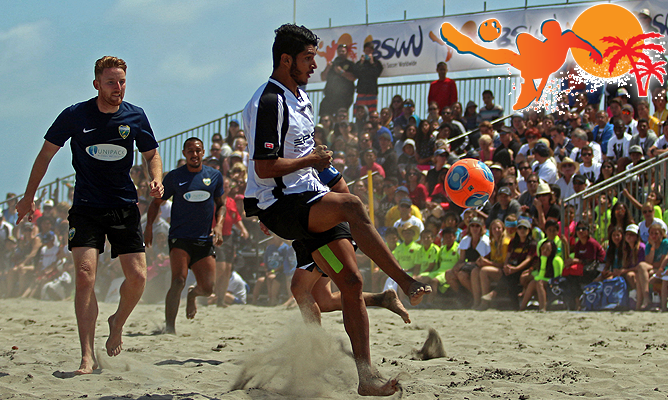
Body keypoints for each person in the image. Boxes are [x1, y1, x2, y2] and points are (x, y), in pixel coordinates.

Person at [242, 24, 429, 396]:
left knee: (352, 284)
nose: (315, 65)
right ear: (286, 59)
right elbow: (264, 167)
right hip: (282, 205)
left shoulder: (301, 98)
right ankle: (404, 281)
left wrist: (351, 214)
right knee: (350, 208)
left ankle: (365, 378)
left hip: (312, 200)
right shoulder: (269, 102)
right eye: (309, 58)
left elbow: (317, 164)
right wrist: (315, 166)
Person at [15, 56, 163, 374]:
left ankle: (117, 322)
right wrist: (29, 197)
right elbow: (45, 154)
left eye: (122, 81)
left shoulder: (135, 116)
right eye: (111, 82)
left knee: (138, 277)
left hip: (124, 206)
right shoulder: (75, 115)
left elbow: (152, 154)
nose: (118, 88)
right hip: (86, 207)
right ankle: (86, 355)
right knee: (85, 277)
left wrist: (157, 178)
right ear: (96, 84)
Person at [144, 137, 225, 334]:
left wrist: (219, 226)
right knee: (178, 280)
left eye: (198, 150)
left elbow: (221, 204)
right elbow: (156, 204)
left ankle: (192, 295)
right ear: (184, 153)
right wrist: (148, 227)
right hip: (180, 237)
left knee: (208, 289)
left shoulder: (214, 176)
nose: (194, 154)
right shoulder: (174, 177)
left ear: (203, 152)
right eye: (190, 151)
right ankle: (170, 328)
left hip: (204, 239)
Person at [319, 43, 356, 118]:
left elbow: (353, 78)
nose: (341, 53)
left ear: (346, 52)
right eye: (339, 51)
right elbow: (323, 77)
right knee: (325, 116)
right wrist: (328, 68)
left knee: (341, 117)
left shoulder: (350, 64)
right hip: (330, 96)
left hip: (344, 97)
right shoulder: (333, 64)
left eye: (343, 51)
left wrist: (341, 72)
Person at [354, 41, 383, 113]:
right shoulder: (360, 63)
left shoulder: (376, 63)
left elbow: (377, 73)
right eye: (366, 51)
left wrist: (372, 62)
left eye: (370, 51)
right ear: (364, 51)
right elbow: (355, 73)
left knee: (372, 112)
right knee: (360, 112)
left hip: (372, 91)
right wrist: (361, 63)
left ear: (372, 51)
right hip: (361, 91)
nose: (368, 52)